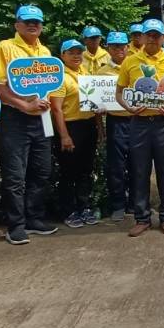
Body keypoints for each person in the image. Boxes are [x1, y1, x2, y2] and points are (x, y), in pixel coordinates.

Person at [0, 5, 58, 245]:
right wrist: (23, 105)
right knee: (15, 176)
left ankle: (34, 218)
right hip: (15, 119)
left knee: (42, 170)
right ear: (17, 25)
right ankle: (16, 225)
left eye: (36, 22)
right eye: (27, 21)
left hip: (41, 118)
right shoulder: (5, 48)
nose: (32, 25)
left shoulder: (45, 51)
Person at [116, 18, 164, 236]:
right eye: (148, 35)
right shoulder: (130, 61)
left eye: (156, 35)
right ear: (141, 37)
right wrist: (129, 107)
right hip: (139, 123)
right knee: (140, 170)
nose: (152, 39)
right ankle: (142, 218)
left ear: (163, 38)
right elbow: (119, 93)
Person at [51, 39, 100, 228]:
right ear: (62, 55)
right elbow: (56, 109)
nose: (76, 56)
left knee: (86, 170)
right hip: (70, 127)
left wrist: (100, 128)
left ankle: (84, 207)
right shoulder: (60, 77)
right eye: (71, 52)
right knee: (68, 171)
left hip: (88, 126)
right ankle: (69, 210)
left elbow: (94, 103)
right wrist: (64, 136)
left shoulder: (85, 73)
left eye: (79, 52)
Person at [102, 31, 134, 221]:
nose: (119, 49)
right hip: (115, 122)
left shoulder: (135, 66)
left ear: (127, 47)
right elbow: (96, 98)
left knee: (138, 163)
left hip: (137, 121)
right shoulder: (101, 72)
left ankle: (136, 203)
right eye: (114, 46)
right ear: (108, 48)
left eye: (122, 46)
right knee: (116, 165)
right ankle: (118, 205)